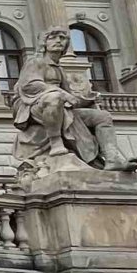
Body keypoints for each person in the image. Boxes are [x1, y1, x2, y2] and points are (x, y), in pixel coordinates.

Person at [11, 26, 125, 171]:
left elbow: (70, 97)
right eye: (53, 37)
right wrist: (62, 93)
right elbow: (30, 85)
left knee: (102, 116)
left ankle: (112, 158)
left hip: (58, 106)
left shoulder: (59, 69)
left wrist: (87, 99)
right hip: (33, 106)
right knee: (54, 97)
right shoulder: (35, 62)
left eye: (62, 38)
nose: (58, 41)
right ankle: (56, 142)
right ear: (44, 43)